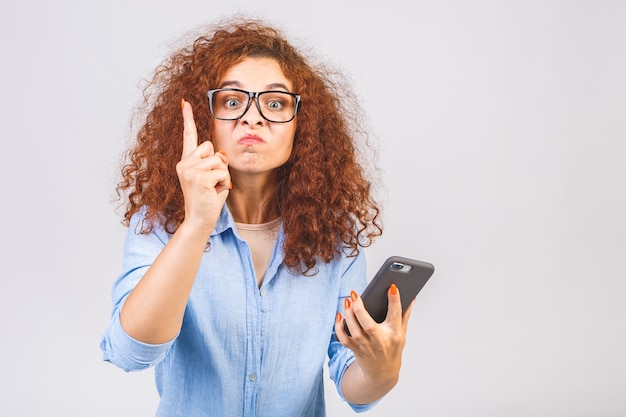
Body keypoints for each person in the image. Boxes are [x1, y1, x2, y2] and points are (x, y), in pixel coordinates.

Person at [100, 16, 414, 417]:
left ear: (304, 125)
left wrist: (381, 368)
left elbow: (356, 385)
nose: (253, 117)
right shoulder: (161, 225)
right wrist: (196, 224)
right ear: (203, 116)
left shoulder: (335, 236)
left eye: (276, 102)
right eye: (232, 101)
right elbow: (131, 352)